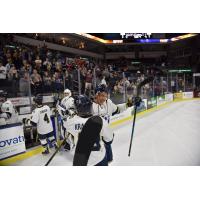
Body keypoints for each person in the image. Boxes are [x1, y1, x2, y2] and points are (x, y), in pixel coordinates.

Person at [57, 94, 114, 166]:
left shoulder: (71, 122)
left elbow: (65, 120)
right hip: (99, 159)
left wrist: (68, 113)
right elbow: (109, 140)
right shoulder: (100, 120)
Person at [92, 84, 132, 163]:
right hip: (95, 142)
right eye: (101, 95)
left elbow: (118, 109)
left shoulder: (108, 103)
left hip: (106, 138)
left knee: (109, 160)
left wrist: (129, 104)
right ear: (96, 95)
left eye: (105, 96)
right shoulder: (90, 107)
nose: (103, 98)